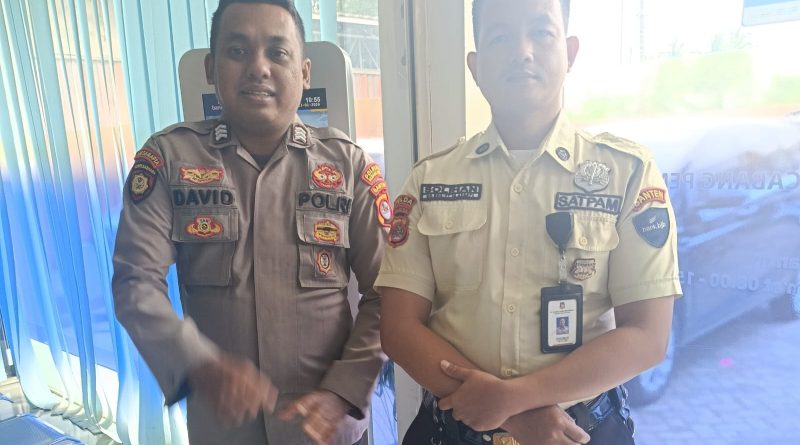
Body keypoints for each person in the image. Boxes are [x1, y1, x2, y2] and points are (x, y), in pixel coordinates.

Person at [376, 0, 681, 444]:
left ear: (570, 52)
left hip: (582, 431)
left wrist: (514, 399)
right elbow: (399, 328)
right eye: (500, 37)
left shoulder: (627, 174)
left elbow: (647, 334)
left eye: (541, 32)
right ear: (476, 67)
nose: (522, 51)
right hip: (450, 434)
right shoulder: (430, 181)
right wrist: (517, 417)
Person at [112, 1, 388, 444]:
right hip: (223, 428)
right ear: (211, 68)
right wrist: (196, 362)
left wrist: (345, 390)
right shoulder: (168, 160)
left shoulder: (349, 167)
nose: (258, 68)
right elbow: (135, 283)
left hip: (325, 427)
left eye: (278, 53)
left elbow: (387, 293)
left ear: (304, 73)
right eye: (238, 51)